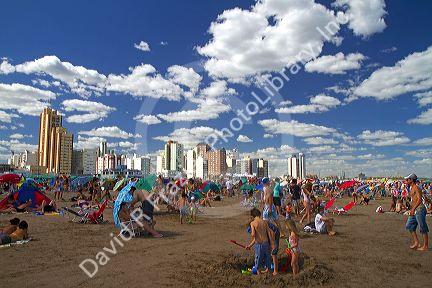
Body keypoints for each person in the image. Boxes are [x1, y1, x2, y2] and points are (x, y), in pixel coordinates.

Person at [246, 208, 275, 275]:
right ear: (259, 214)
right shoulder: (264, 222)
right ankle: (269, 273)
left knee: (258, 260)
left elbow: (253, 235)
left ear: (252, 216)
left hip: (259, 245)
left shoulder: (253, 223)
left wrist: (252, 233)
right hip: (266, 243)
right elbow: (269, 233)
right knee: (267, 258)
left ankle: (259, 275)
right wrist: (272, 244)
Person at [405, 174, 429, 251]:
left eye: (407, 179)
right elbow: (413, 199)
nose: (406, 181)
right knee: (409, 225)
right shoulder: (411, 188)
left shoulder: (416, 188)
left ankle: (425, 246)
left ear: (411, 180)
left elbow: (419, 200)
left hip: (420, 209)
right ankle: (416, 242)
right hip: (415, 210)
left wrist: (413, 209)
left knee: (422, 227)